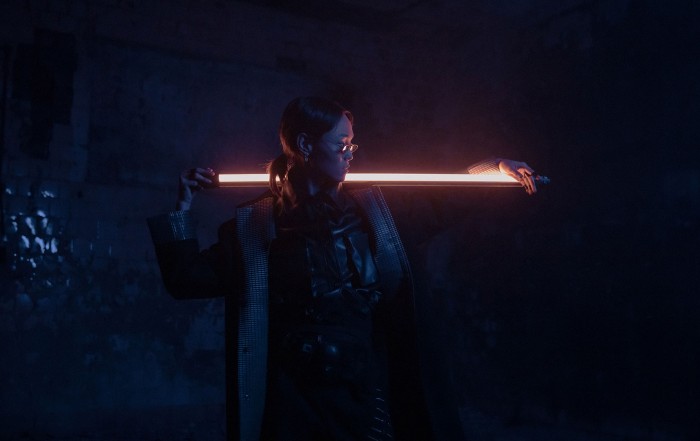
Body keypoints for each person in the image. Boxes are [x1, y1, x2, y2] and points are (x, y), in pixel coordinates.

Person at [147, 96, 538, 441]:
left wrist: (495, 168)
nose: (351, 154)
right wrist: (182, 207)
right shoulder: (255, 230)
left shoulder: (378, 215)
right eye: (341, 144)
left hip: (364, 396)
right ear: (305, 145)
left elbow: (447, 200)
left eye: (352, 144)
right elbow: (187, 280)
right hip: (294, 402)